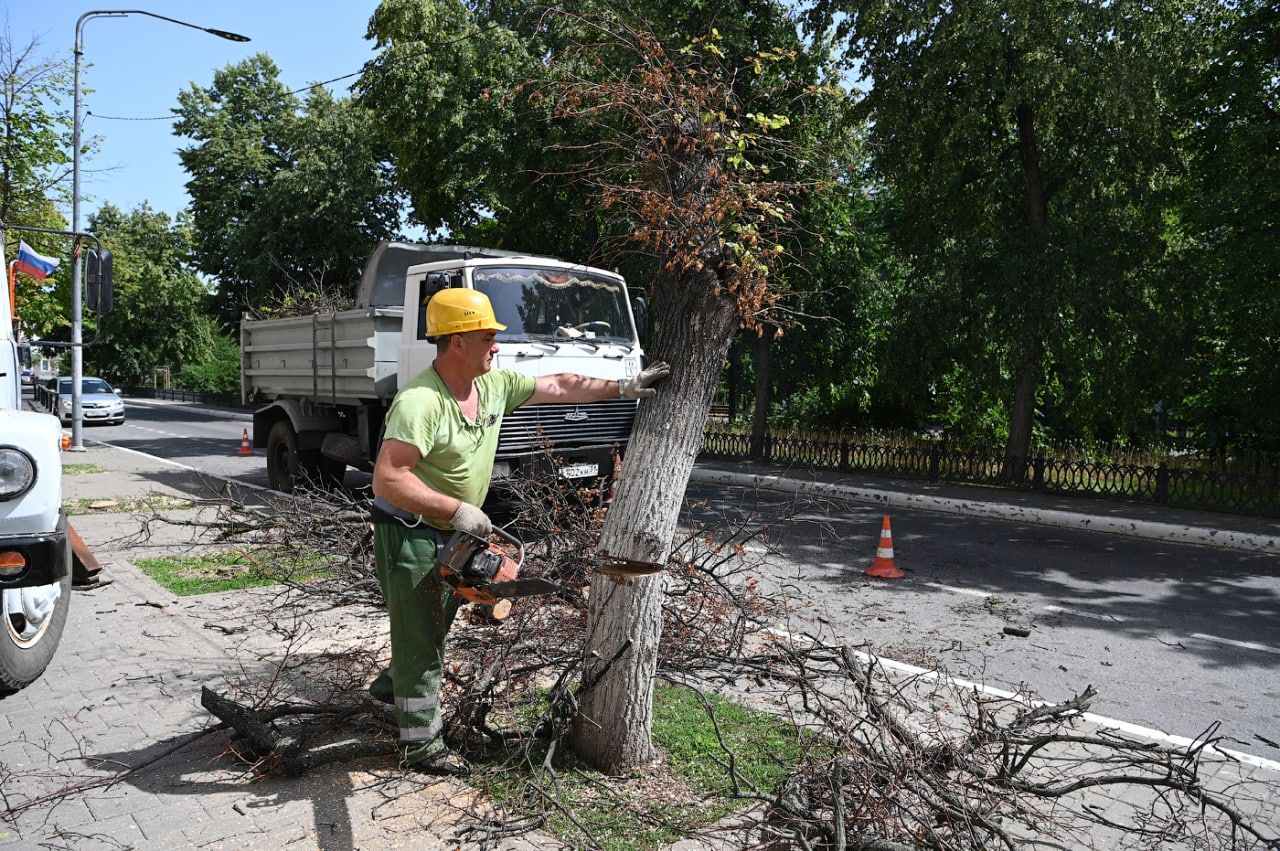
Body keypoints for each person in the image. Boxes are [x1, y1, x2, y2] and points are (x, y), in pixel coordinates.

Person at [368, 287, 669, 774]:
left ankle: (388, 691)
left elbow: (558, 385)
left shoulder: (492, 385)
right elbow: (389, 477)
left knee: (434, 620)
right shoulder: (419, 402)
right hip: (411, 529)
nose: (497, 345)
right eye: (488, 335)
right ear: (457, 341)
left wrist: (623, 386)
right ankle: (420, 746)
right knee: (422, 634)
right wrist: (456, 508)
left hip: (450, 527)